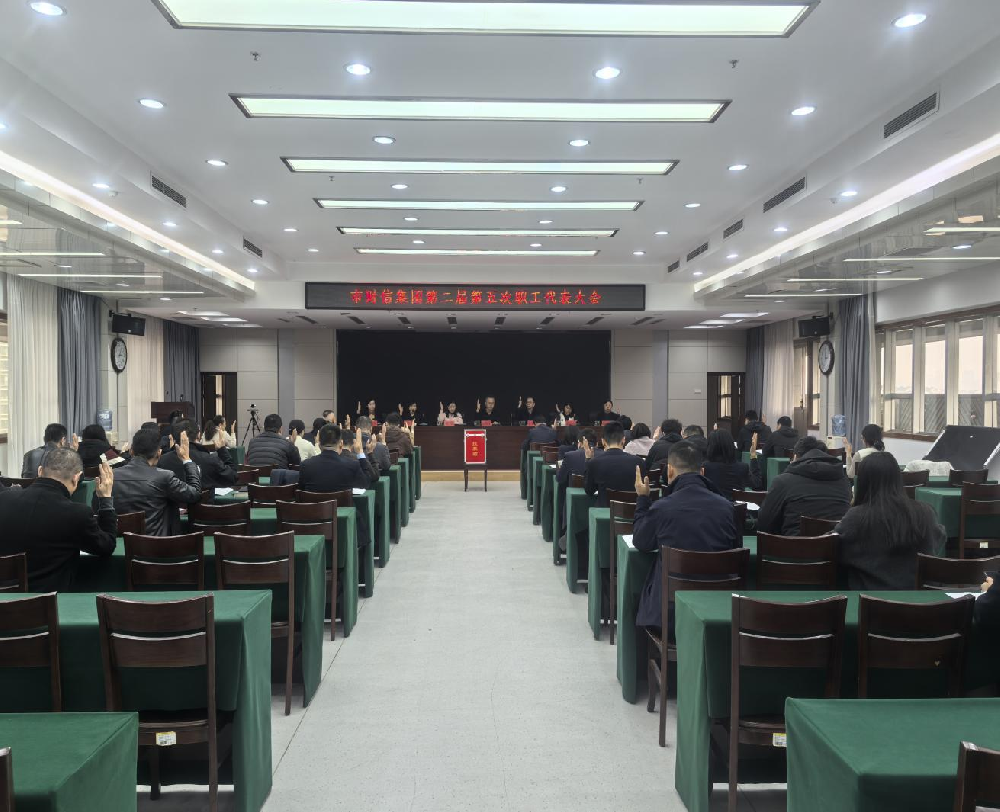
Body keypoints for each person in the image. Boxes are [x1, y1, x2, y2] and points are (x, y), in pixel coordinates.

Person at [633, 441, 741, 630]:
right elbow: (735, 550)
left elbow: (641, 542)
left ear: (670, 471)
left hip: (669, 614)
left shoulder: (662, 507)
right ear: (702, 472)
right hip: (719, 608)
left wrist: (642, 499)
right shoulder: (727, 508)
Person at [0, 448, 117, 592]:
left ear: (40, 471)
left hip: (4, 600)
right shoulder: (77, 514)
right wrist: (106, 500)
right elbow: (107, 546)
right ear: (76, 478)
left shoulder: (3, 500)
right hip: (49, 602)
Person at [834, 452, 946, 590]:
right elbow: (939, 538)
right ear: (898, 479)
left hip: (868, 598)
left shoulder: (856, 517)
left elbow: (832, 544)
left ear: (862, 482)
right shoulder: (925, 512)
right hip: (917, 598)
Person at [112, 427, 202, 536]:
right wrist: (187, 460)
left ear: (131, 451)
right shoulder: (164, 477)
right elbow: (194, 494)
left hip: (118, 541)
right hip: (155, 543)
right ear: (159, 453)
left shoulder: (110, 477)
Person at [758, 436, 852, 536]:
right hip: (835, 544)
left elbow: (764, 523)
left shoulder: (783, 482)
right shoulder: (844, 482)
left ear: (795, 457)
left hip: (793, 544)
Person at [159, 419, 238, 490]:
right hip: (205, 501)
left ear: (173, 437)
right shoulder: (209, 459)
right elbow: (233, 477)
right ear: (198, 435)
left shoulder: (162, 461)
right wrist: (222, 450)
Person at [556, 429, 602, 550]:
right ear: (597, 444)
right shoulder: (604, 456)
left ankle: (566, 538)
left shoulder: (570, 456)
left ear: (579, 443)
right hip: (600, 503)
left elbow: (560, 479)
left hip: (575, 506)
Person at [584, 422, 645, 507]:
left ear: (603, 441)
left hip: (604, 510)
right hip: (632, 511)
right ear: (623, 440)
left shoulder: (594, 462)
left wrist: (588, 459)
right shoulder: (638, 462)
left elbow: (589, 491)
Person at [702, 429, 763, 495]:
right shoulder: (742, 468)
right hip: (735, 502)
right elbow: (756, 482)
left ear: (710, 447)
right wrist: (753, 455)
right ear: (731, 445)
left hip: (712, 501)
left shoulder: (705, 468)